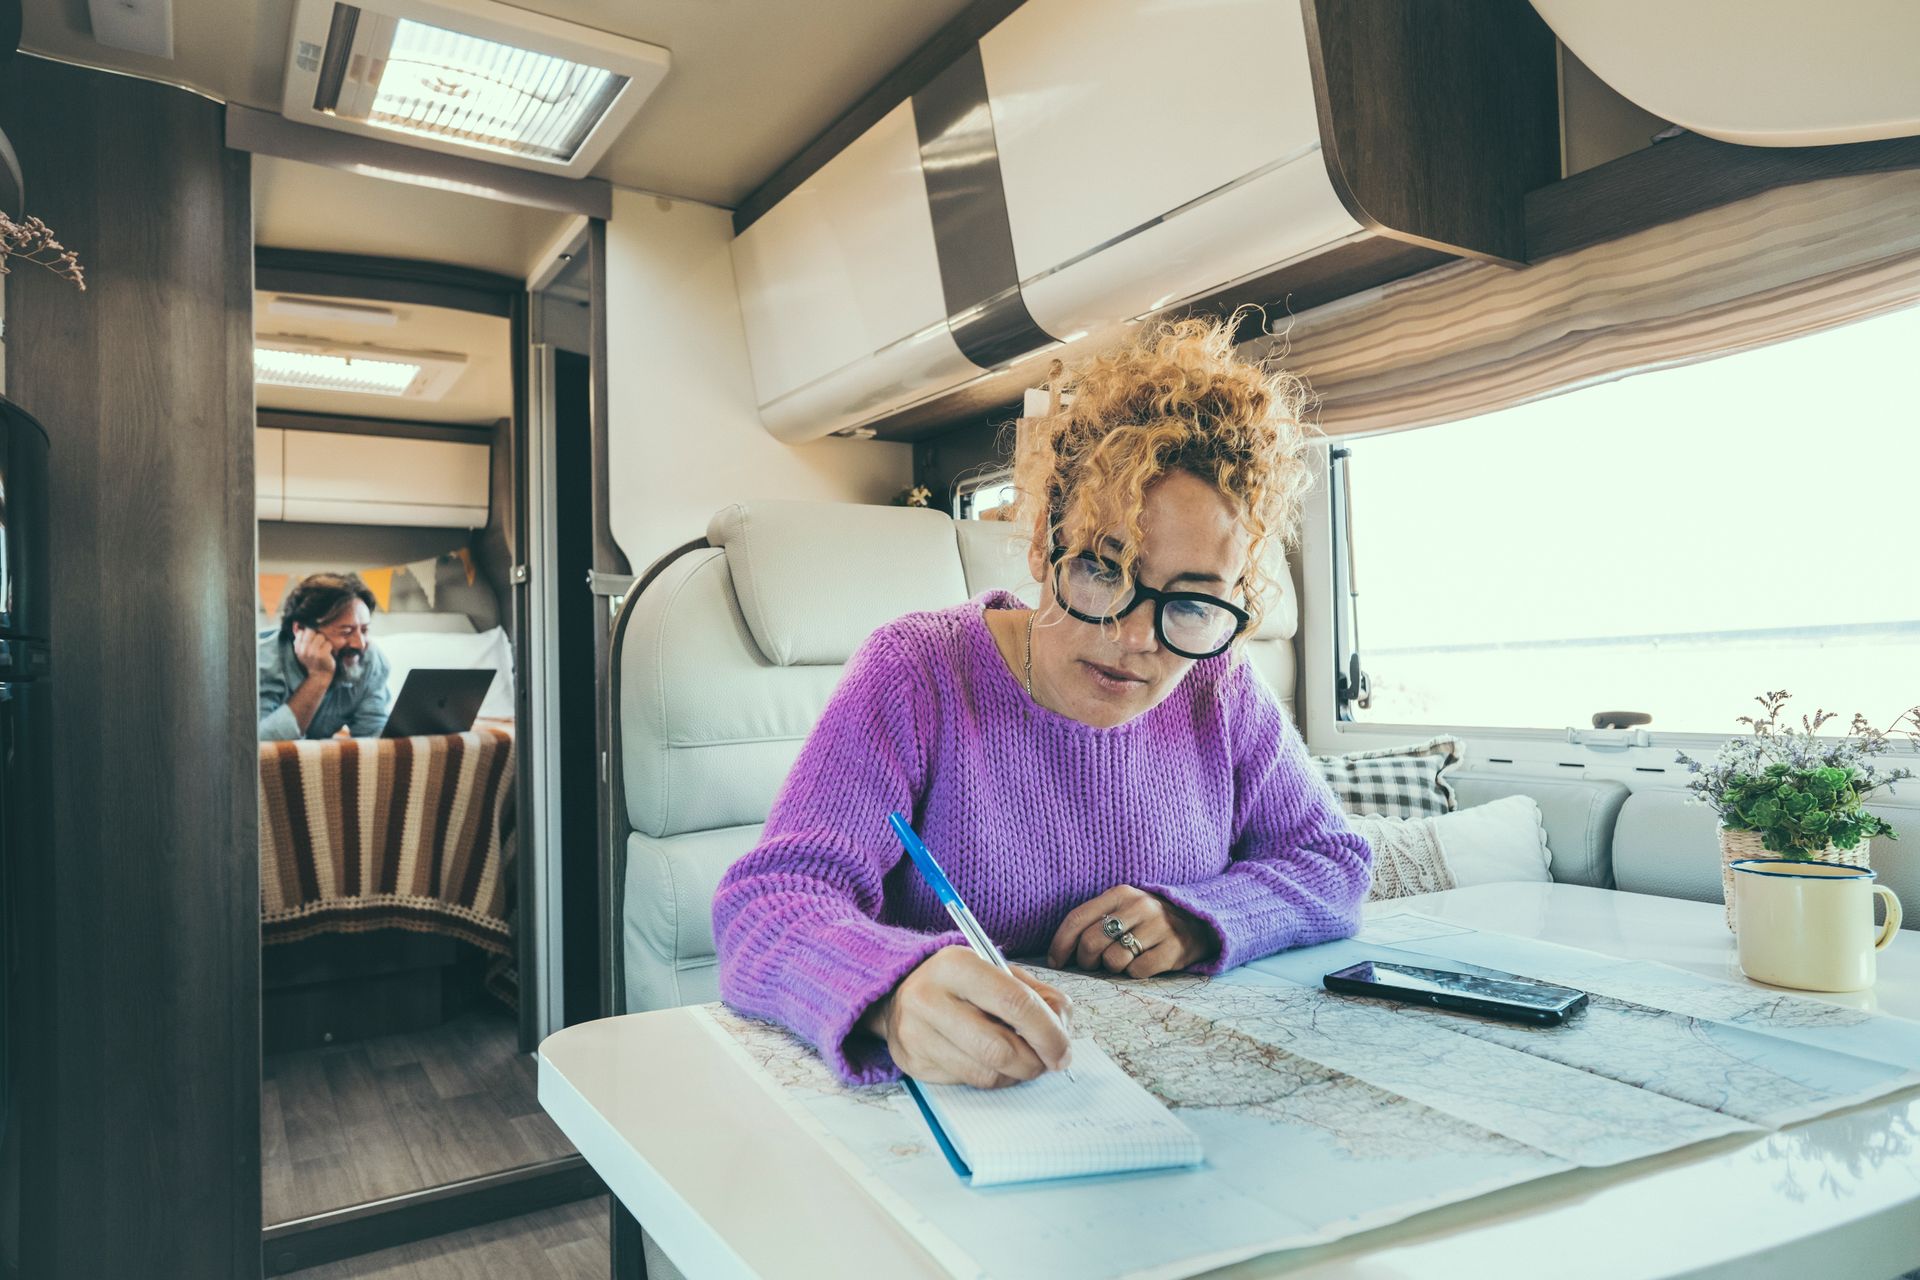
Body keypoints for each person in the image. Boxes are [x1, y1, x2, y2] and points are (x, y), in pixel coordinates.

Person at [712, 316, 1372, 1089]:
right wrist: (891, 994)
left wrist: (1199, 917)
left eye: (1191, 604)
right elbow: (767, 903)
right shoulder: (918, 673)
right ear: (1042, 547)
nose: (1134, 638)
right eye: (1102, 569)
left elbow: (1335, 863)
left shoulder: (1217, 686)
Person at [258, 572, 393, 741]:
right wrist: (319, 677)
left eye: (364, 630)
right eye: (346, 632)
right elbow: (261, 748)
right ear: (300, 629)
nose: (360, 644)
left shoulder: (369, 660)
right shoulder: (261, 663)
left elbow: (374, 735)